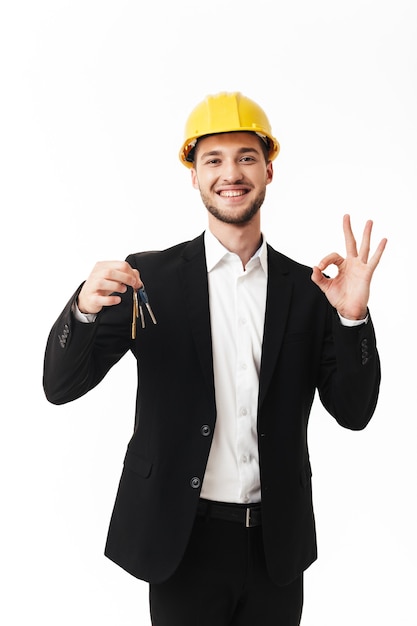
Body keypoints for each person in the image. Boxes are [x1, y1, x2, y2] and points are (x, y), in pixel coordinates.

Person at [43, 91, 387, 626]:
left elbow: (355, 411)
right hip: (183, 542)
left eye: (247, 157)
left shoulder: (310, 288)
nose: (232, 173)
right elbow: (60, 385)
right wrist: (84, 308)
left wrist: (352, 318)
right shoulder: (146, 280)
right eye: (214, 160)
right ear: (195, 175)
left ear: (269, 170)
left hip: (276, 548)